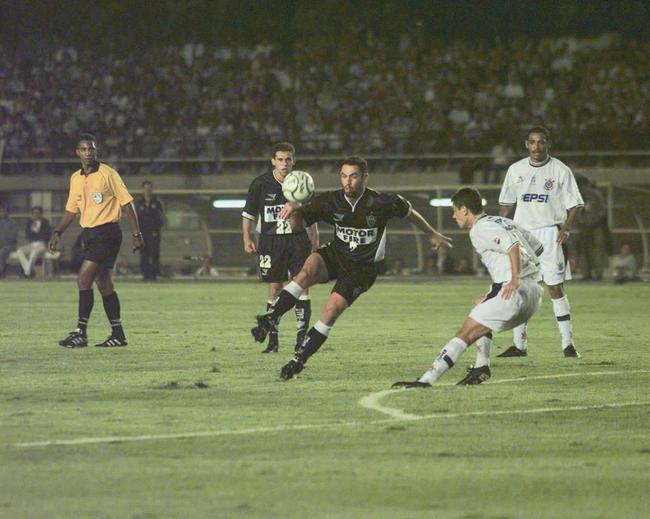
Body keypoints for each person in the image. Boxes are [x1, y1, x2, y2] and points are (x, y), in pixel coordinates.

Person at [251, 156, 453, 380]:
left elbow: (410, 213)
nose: (348, 182)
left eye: (354, 176)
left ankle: (298, 360)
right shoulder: (330, 201)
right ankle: (271, 318)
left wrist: (431, 233)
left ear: (365, 177)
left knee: (330, 310)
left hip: (362, 268)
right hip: (337, 254)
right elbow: (298, 226)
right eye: (344, 176)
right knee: (305, 272)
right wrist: (295, 208)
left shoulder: (382, 202)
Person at [393, 187, 544, 388]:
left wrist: (514, 279)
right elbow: (538, 248)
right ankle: (481, 368)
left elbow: (511, 245)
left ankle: (426, 380)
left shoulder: (480, 228)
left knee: (465, 333)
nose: (453, 215)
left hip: (513, 291)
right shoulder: (504, 221)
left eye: (454, 210)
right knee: (479, 305)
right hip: (533, 292)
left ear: (464, 209)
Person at [48, 133, 143, 348]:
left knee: (83, 279)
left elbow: (127, 204)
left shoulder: (108, 174)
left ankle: (81, 332)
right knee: (104, 285)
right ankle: (118, 334)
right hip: (90, 235)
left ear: (96, 151)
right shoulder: (76, 178)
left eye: (91, 149)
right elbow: (71, 210)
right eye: (84, 149)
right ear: (77, 153)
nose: (88, 152)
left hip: (108, 233)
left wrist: (136, 234)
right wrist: (57, 232)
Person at [497, 126, 583, 358]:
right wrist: (502, 228)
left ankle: (568, 344)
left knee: (554, 287)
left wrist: (566, 228)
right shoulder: (515, 170)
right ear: (526, 144)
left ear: (548, 144)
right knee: (520, 287)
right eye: (532, 142)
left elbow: (575, 204)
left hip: (549, 234)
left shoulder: (560, 170)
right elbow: (506, 204)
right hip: (522, 234)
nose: (537, 147)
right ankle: (519, 345)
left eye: (541, 142)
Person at [242, 142, 319, 354]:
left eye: (288, 159)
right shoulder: (260, 184)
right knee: (275, 288)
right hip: (270, 241)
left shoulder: (303, 183)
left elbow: (313, 216)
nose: (284, 163)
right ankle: (273, 342)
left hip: (297, 240)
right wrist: (247, 238)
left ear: (293, 160)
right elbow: (248, 215)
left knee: (302, 286)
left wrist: (315, 238)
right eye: (280, 159)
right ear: (273, 161)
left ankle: (301, 341)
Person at [135, 180, 165, 280]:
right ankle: (145, 274)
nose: (147, 191)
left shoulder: (157, 203)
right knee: (144, 254)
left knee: (154, 253)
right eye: (146, 189)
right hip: (142, 233)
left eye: (149, 189)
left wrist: (157, 229)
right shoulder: (139, 203)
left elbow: (161, 218)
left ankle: (154, 274)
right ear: (143, 190)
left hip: (154, 233)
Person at [15, 206, 52, 278]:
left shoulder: (45, 222)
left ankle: (27, 273)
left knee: (33, 253)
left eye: (38, 213)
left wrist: (37, 230)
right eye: (34, 213)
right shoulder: (30, 222)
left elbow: (47, 235)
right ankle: (28, 270)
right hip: (32, 244)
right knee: (19, 251)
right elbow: (27, 236)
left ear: (41, 214)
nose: (36, 215)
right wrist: (32, 229)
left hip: (42, 244)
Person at [0, 202, 18, 277]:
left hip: (10, 246)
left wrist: (3, 242)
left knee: (2, 252)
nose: (2, 213)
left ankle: (1, 271)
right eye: (0, 211)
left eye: (3, 211)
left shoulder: (13, 223)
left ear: (8, 212)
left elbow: (13, 237)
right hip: (1, 245)